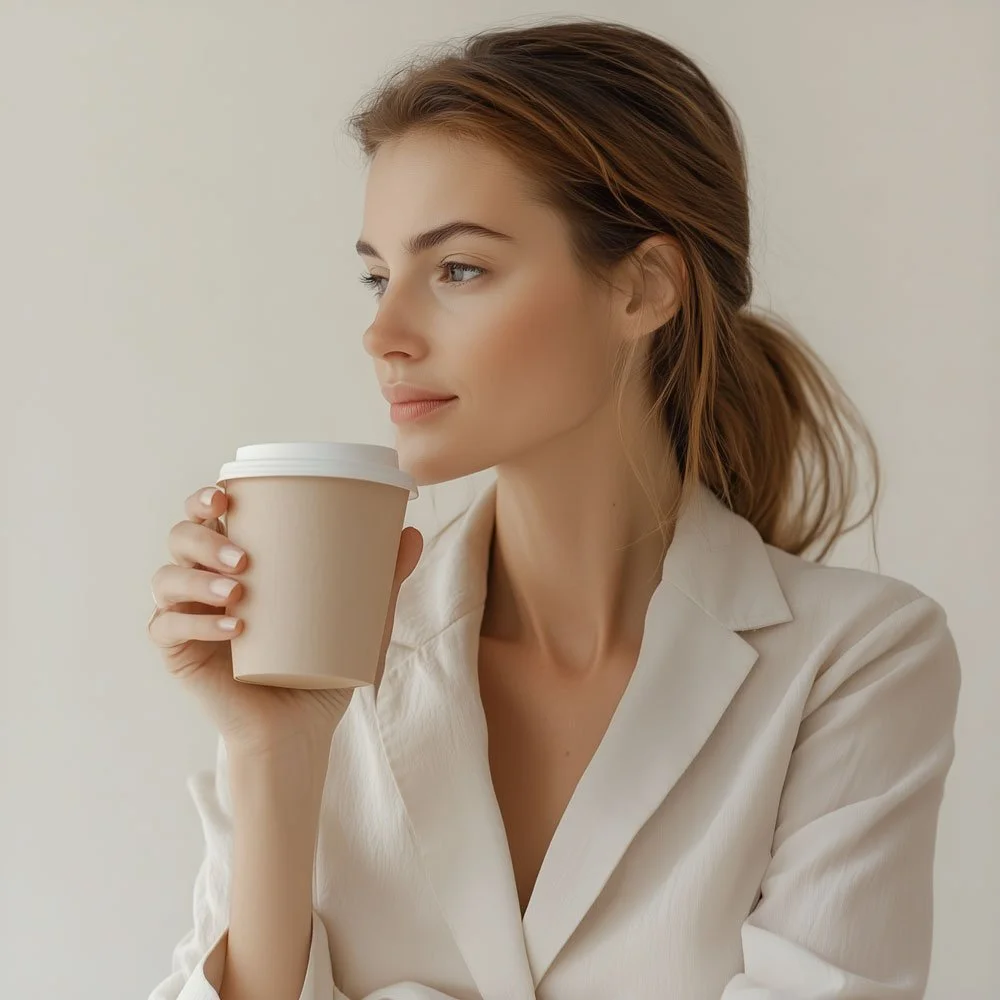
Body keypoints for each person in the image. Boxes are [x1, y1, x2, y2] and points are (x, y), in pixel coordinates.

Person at [145, 17, 961, 1000]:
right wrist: (273, 752)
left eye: (458, 270)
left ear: (643, 286)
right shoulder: (326, 667)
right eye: (377, 273)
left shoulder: (855, 658)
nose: (383, 330)